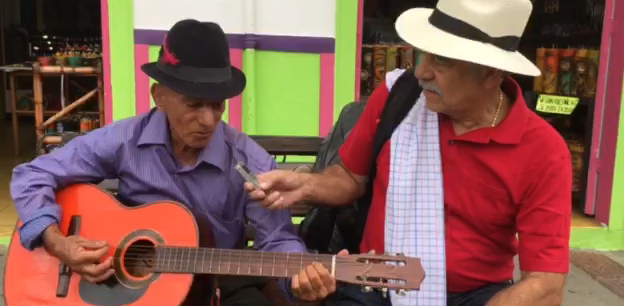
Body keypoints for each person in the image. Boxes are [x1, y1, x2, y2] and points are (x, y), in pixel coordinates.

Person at [246, 1, 571, 305]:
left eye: (441, 60)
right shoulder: (398, 98)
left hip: (473, 295)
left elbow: (545, 283)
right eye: (422, 55)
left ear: (490, 73)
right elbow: (349, 177)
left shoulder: (543, 151)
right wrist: (305, 186)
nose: (421, 72)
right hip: (374, 282)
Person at [10, 19, 329, 306]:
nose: (208, 120)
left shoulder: (248, 159)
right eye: (194, 104)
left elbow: (277, 239)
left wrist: (299, 279)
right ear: (159, 96)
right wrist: (57, 243)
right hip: (129, 288)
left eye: (217, 106)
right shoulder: (125, 139)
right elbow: (32, 175)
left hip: (215, 282)